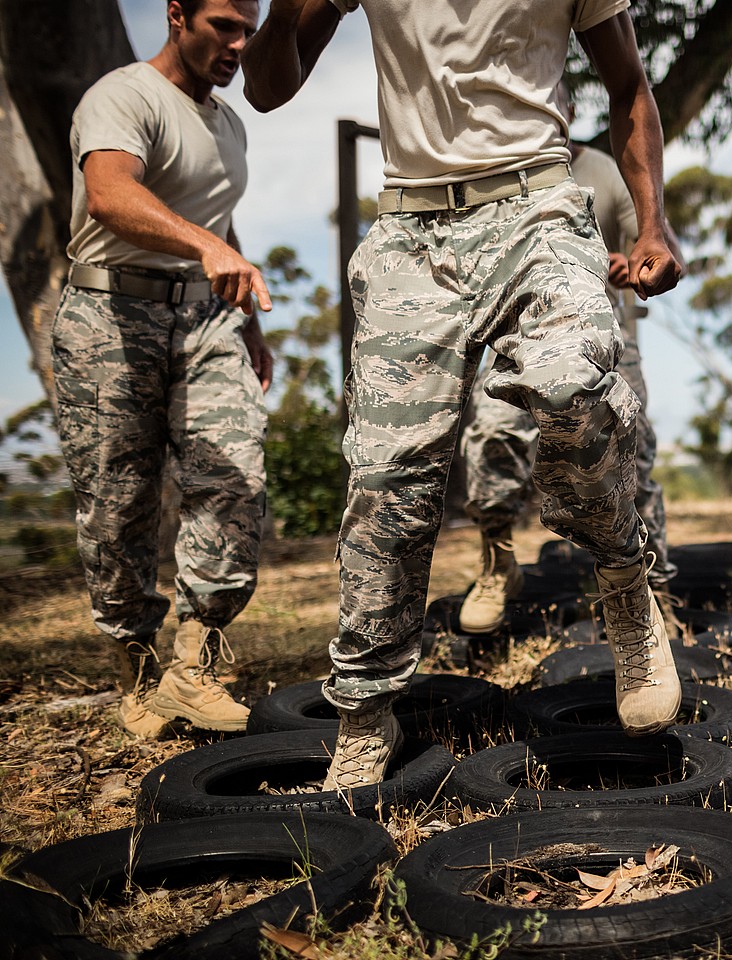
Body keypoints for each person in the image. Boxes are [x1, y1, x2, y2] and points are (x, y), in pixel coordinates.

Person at [242, 0, 685, 790]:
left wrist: (654, 222)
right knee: (389, 483)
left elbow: (629, 86)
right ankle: (366, 710)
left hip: (538, 208)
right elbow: (269, 89)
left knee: (570, 385)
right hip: (412, 230)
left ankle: (624, 577)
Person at [53, 0, 273, 738]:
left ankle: (196, 665)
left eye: (250, 28)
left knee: (235, 474)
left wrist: (245, 308)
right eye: (223, 25)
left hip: (207, 317)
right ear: (177, 16)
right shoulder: (123, 96)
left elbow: (216, 218)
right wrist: (207, 248)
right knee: (120, 503)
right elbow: (111, 195)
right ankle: (137, 671)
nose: (239, 43)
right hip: (111, 315)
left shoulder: (228, 121)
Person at [457, 85, 675, 635]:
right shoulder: (501, 174)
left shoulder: (606, 171)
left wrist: (633, 264)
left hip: (607, 345)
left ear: (570, 111)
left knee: (633, 457)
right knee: (489, 438)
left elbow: (653, 244)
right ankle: (497, 563)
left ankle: (654, 590)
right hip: (521, 343)